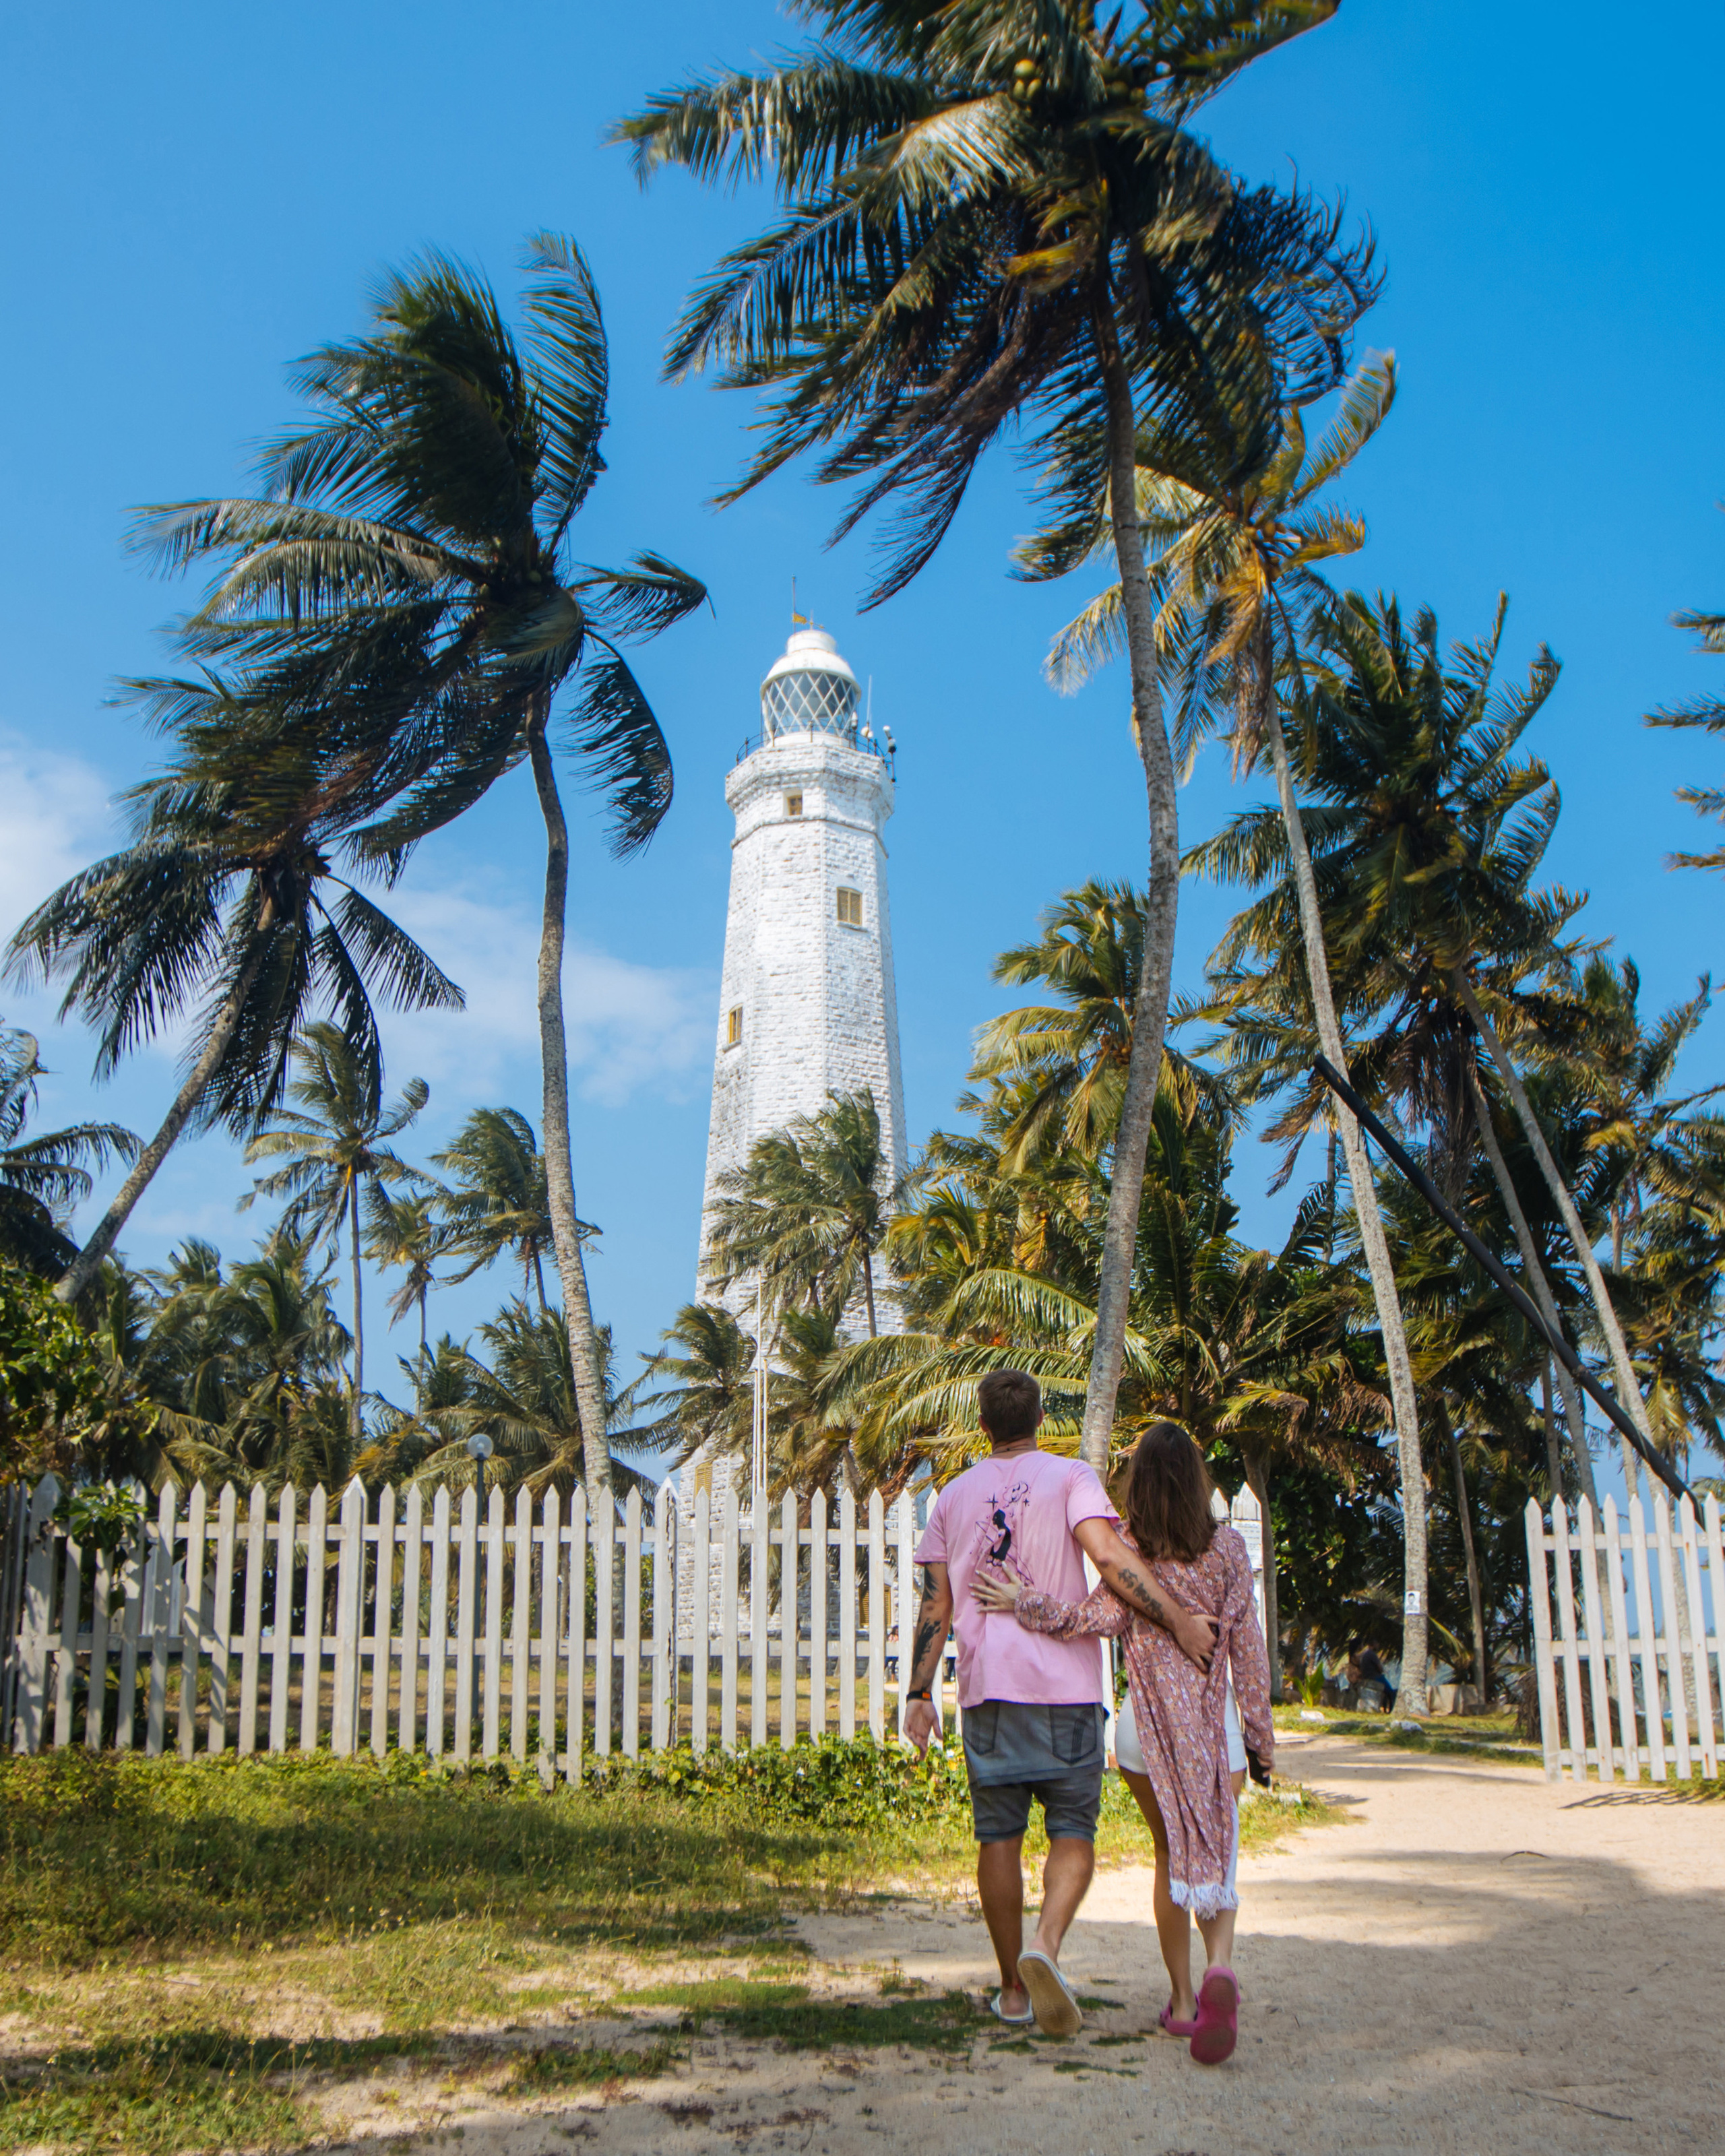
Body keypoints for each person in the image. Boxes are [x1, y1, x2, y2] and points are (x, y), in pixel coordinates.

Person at [903, 1372, 1218, 2039]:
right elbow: (1109, 1558)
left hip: (988, 1693)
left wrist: (920, 1691)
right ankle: (1044, 1940)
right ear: (1040, 1417)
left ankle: (1014, 1990)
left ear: (983, 1425)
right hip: (1068, 1692)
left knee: (998, 1835)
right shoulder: (1071, 1475)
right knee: (1073, 1828)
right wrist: (1180, 1618)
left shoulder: (952, 1497)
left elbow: (936, 1606)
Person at [973, 1421, 1272, 2066]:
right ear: (1198, 1480)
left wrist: (1023, 1599)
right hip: (1215, 1732)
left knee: (1170, 1855)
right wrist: (1261, 1736)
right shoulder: (1229, 1550)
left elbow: (1090, 1619)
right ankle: (1220, 1963)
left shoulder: (1132, 1550)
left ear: (1139, 1484)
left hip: (1146, 1734)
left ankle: (1186, 2003)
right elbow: (1248, 1652)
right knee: (1217, 1851)